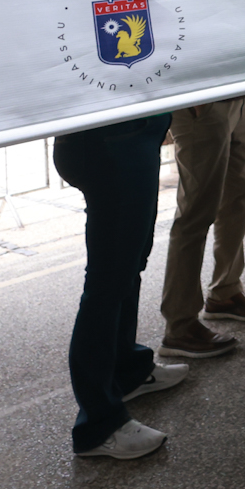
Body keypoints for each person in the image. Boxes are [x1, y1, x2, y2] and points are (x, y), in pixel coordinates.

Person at [55, 109, 189, 459]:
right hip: (111, 139)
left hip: (132, 134)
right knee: (107, 281)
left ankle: (127, 370)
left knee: (130, 263)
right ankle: (99, 424)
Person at [155, 93, 245, 360]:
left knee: (239, 197)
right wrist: (195, 94)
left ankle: (225, 291)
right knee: (196, 212)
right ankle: (179, 325)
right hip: (204, 99)